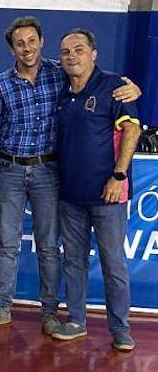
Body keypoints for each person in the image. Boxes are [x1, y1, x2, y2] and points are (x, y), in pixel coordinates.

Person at [0, 17, 141, 332]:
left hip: (50, 172)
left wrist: (135, 88)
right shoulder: (2, 82)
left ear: (41, 42)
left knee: (51, 247)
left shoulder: (62, 74)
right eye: (19, 43)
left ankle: (54, 313)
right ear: (12, 49)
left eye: (31, 41)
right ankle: (3, 308)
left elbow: (121, 106)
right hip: (12, 170)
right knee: (7, 243)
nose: (26, 48)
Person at [51, 29, 142, 350]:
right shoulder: (60, 89)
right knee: (73, 262)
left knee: (112, 263)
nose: (71, 56)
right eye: (65, 52)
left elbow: (132, 130)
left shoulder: (114, 87)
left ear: (94, 54)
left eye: (78, 49)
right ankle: (76, 320)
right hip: (70, 195)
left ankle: (120, 328)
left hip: (108, 195)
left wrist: (118, 176)